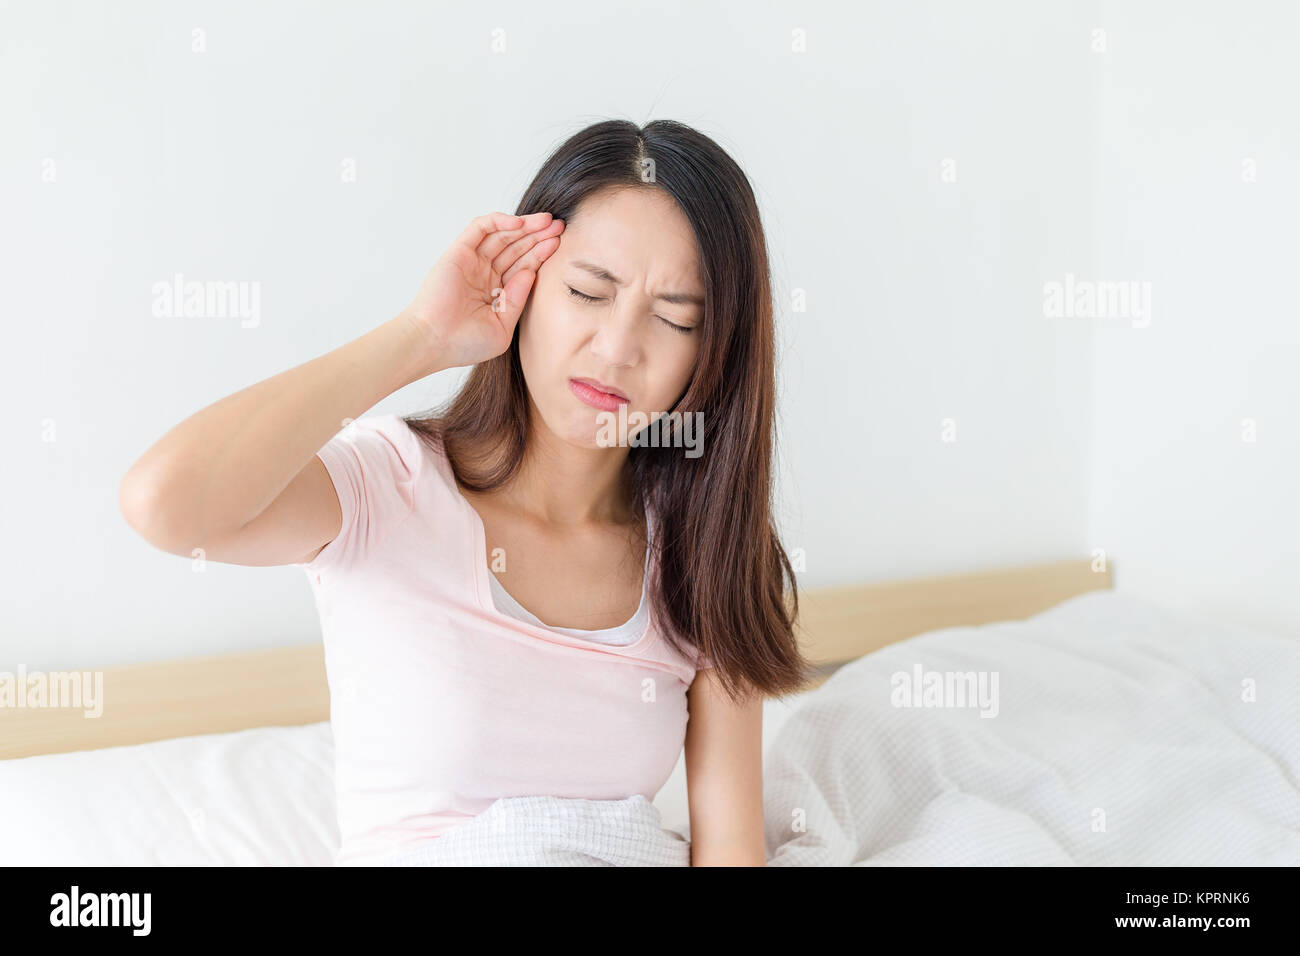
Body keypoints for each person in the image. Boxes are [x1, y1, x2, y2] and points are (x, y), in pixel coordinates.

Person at [119, 118, 811, 866]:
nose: (617, 350)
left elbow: (731, 850)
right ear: (526, 286)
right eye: (587, 292)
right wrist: (422, 335)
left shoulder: (709, 556)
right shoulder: (385, 489)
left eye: (674, 318)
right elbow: (164, 503)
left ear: (713, 355)